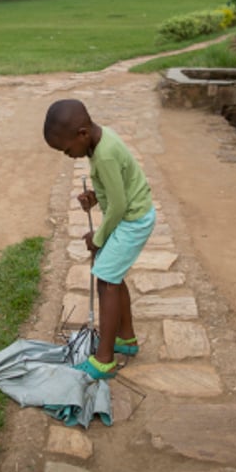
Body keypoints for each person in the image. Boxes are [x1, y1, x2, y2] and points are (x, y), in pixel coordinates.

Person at [44, 99, 156, 380]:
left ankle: (104, 359)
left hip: (132, 220)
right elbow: (115, 187)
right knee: (113, 275)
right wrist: (95, 196)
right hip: (132, 215)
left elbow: (118, 205)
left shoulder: (103, 154)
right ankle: (126, 339)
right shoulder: (100, 141)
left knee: (106, 280)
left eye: (67, 150)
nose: (68, 155)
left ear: (82, 134)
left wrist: (99, 236)